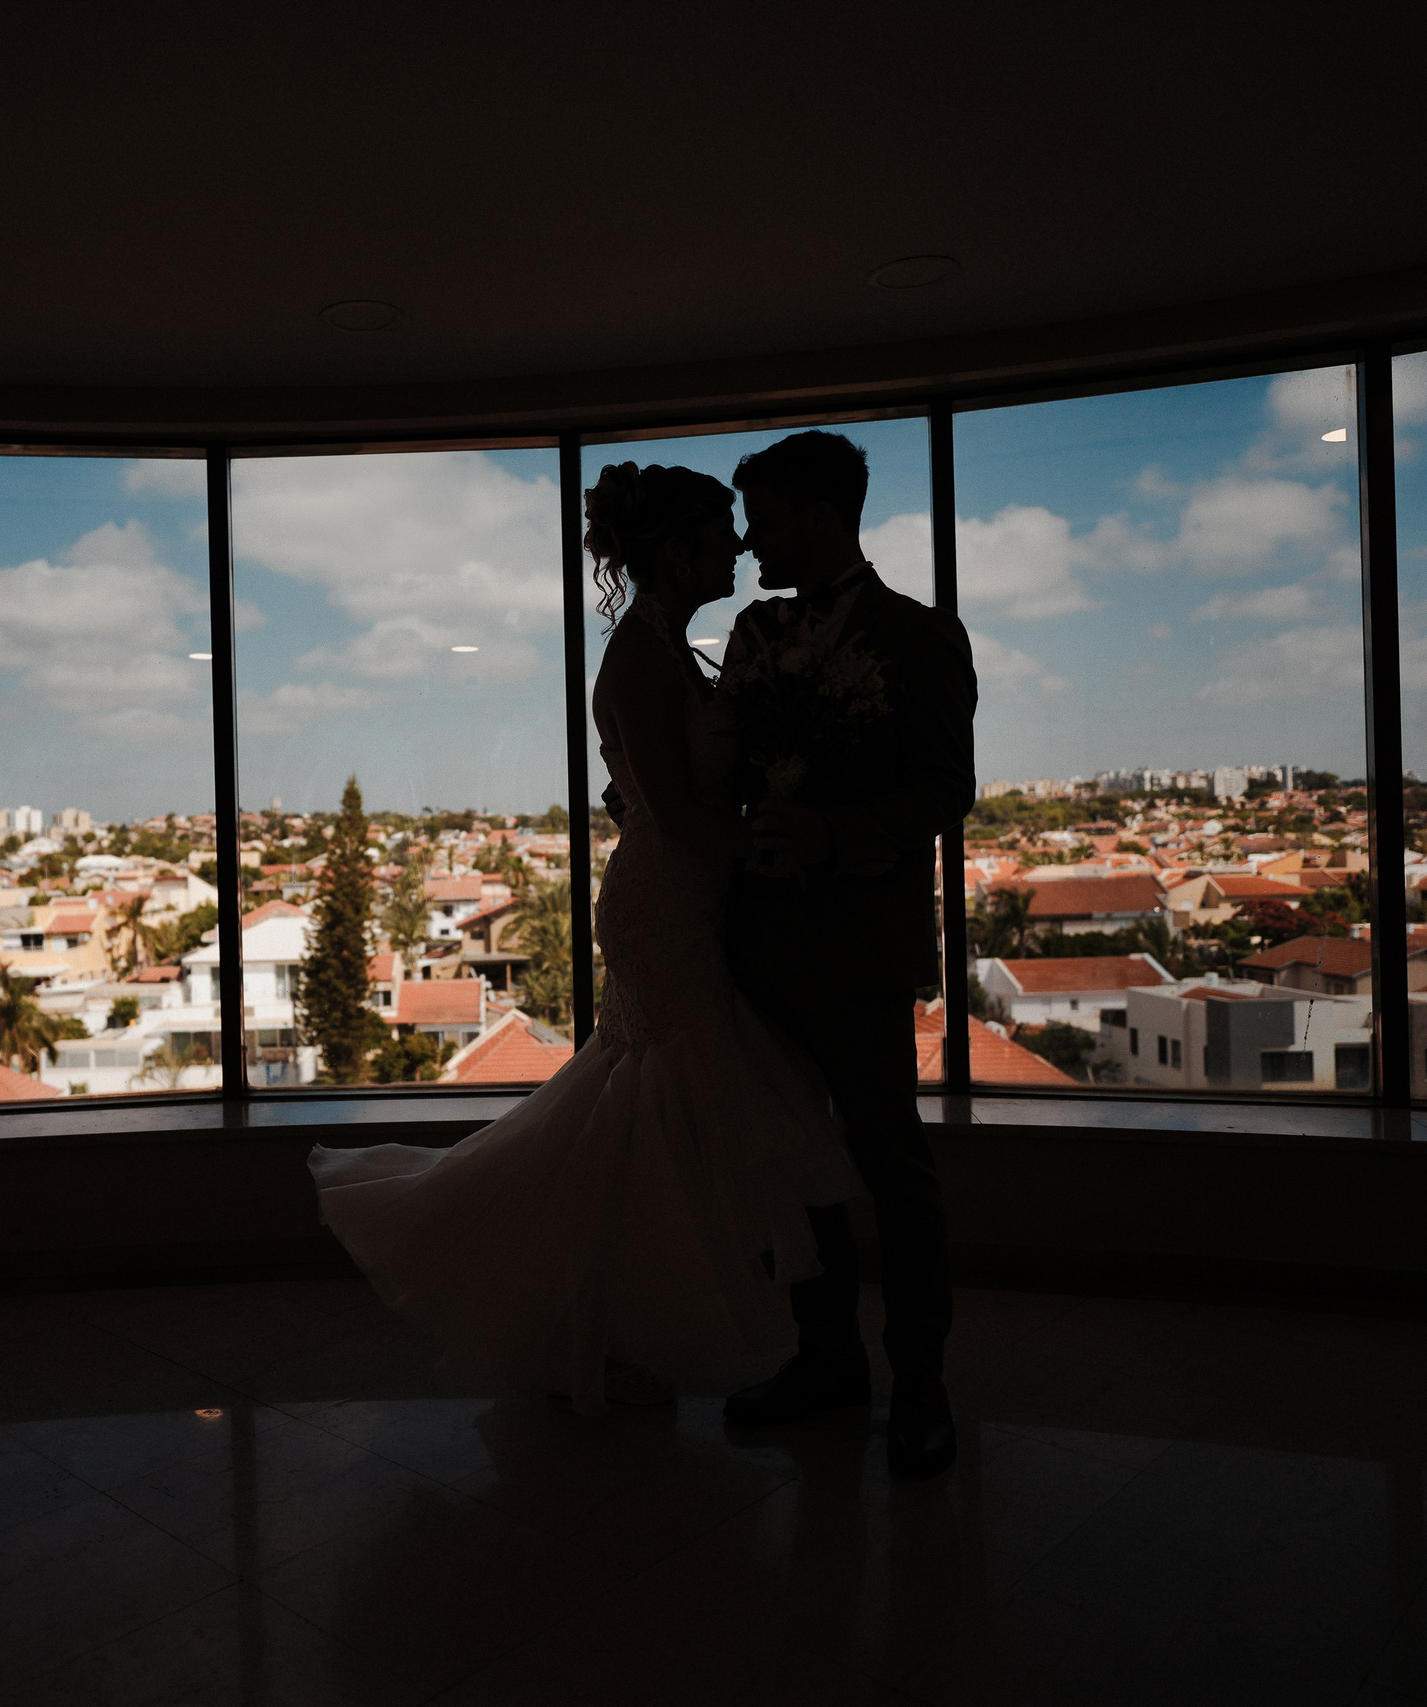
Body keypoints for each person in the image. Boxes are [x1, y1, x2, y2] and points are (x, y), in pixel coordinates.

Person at [307, 463, 862, 1416]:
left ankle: (614, 1325)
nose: (736, 548)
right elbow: (679, 816)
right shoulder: (643, 660)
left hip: (684, 902)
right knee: (678, 1113)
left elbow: (646, 792)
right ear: (678, 548)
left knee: (647, 1122)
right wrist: (784, 844)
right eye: (720, 532)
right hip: (665, 910)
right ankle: (630, 1323)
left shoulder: (668, 651)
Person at [717, 430, 978, 1478]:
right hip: (759, 943)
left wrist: (837, 834)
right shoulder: (750, 632)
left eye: (765, 520)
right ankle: (824, 1357)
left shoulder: (920, 638)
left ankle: (920, 1380)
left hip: (862, 946)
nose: (748, 541)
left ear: (821, 517)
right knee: (793, 1166)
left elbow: (944, 791)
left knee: (888, 1167)